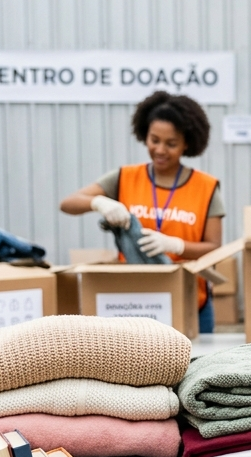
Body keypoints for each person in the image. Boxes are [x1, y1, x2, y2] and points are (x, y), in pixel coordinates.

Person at [60, 91, 224, 332]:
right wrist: (99, 203)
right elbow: (68, 203)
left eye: (171, 144)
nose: (160, 150)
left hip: (190, 303)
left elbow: (214, 248)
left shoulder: (206, 187)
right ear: (144, 135)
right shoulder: (125, 177)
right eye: (154, 140)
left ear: (187, 143)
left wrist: (176, 246)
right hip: (133, 302)